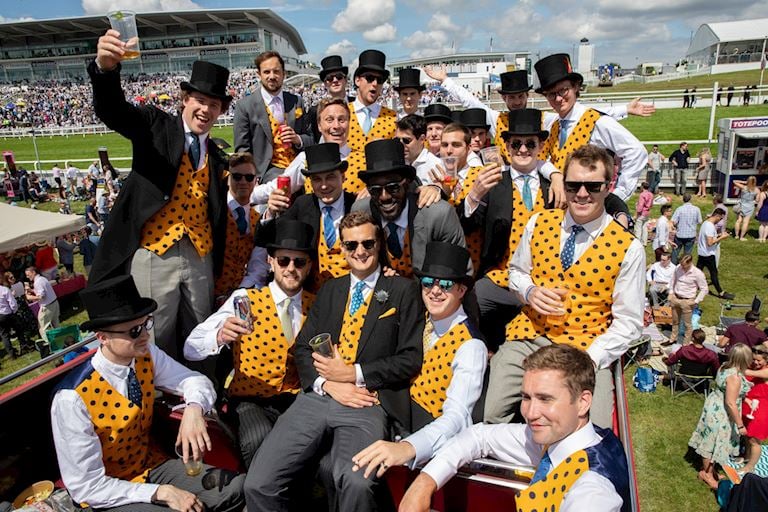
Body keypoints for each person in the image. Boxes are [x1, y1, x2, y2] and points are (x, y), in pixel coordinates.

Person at [244, 211, 424, 512]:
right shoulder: (330, 290)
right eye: (351, 245)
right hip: (317, 398)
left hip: (368, 401)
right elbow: (302, 349)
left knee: (355, 482)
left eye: (367, 243)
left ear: (378, 244)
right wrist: (327, 383)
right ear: (341, 248)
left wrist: (353, 373)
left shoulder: (403, 290)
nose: (360, 252)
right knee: (258, 484)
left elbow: (410, 359)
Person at [88, 31, 232, 360]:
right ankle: (156, 405)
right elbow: (113, 110)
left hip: (200, 256)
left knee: (201, 335)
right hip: (155, 253)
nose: (205, 110)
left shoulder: (217, 154)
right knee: (154, 337)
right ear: (185, 99)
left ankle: (198, 399)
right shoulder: (156, 125)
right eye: (200, 100)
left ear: (220, 110)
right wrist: (106, 70)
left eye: (213, 104)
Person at [51, 275, 245, 511]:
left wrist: (194, 409)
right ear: (103, 338)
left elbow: (194, 380)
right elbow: (87, 487)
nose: (145, 335)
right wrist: (159, 492)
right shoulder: (72, 399)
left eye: (146, 324)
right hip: (109, 490)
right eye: (134, 331)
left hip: (150, 465)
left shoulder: (146, 354)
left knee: (236, 487)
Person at [489, 144, 645, 428]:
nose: (582, 194)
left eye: (592, 186)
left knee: (595, 433)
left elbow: (630, 322)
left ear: (608, 186)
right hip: (530, 335)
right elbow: (516, 272)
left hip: (586, 346)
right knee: (492, 413)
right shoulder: (539, 222)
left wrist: (590, 357)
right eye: (573, 186)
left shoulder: (629, 248)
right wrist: (529, 291)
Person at [399, 344, 630, 512]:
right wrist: (425, 482)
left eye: (545, 399)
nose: (530, 413)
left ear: (583, 402)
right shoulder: (562, 436)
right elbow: (479, 436)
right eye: (526, 397)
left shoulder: (592, 492)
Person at [185, 219, 315, 466]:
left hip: (295, 397)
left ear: (308, 266)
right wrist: (220, 336)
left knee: (310, 440)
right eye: (283, 260)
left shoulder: (316, 304)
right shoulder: (244, 299)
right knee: (259, 439)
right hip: (249, 399)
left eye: (299, 262)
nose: (290, 268)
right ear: (270, 262)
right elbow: (191, 347)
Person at [350, 243, 487, 477]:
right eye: (427, 283)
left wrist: (409, 447)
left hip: (424, 443)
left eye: (445, 284)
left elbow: (457, 416)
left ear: (462, 290)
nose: (435, 291)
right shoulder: (419, 316)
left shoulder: (471, 347)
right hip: (385, 415)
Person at [424, 65, 653, 170]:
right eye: (511, 98)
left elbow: (581, 115)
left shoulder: (546, 120)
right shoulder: (497, 119)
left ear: (527, 96)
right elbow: (472, 102)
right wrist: (446, 81)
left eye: (520, 96)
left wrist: (623, 109)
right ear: (504, 99)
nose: (516, 102)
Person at [460, 108, 556, 350]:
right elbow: (467, 225)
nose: (523, 150)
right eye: (516, 144)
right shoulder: (493, 183)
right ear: (507, 146)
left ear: (541, 146)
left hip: (545, 279)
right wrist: (474, 195)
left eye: (529, 144)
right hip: (501, 276)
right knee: (474, 300)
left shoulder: (554, 184)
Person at [533, 54, 647, 202]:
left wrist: (617, 197)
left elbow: (636, 152)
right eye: (551, 94)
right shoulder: (555, 124)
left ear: (575, 87)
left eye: (563, 90)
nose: (558, 98)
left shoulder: (597, 122)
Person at [353, 139, 470, 278]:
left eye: (393, 187)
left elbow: (459, 274)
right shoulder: (362, 213)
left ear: (407, 183)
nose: (384, 197)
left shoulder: (438, 215)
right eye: (375, 190)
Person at [266, 142, 356, 291]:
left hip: (353, 292)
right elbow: (268, 237)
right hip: (313, 295)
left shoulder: (356, 206)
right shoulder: (303, 205)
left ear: (343, 176)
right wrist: (270, 212)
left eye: (330, 177)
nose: (324, 185)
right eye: (317, 179)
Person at [233, 51, 312, 183]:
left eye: (276, 71)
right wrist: (251, 178)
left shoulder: (297, 101)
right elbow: (242, 150)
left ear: (283, 74)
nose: (272, 76)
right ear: (259, 74)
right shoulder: (245, 106)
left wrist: (297, 139)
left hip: (301, 166)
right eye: (266, 72)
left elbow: (311, 139)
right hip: (267, 172)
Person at [689, 343, 753, 490]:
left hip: (714, 405)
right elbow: (730, 403)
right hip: (722, 413)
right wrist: (740, 425)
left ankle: (711, 471)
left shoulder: (724, 366)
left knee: (711, 438)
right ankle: (707, 474)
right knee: (712, 443)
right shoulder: (734, 377)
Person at [344, 49, 398, 194]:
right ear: (357, 80)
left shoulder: (392, 118)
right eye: (369, 78)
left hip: (380, 195)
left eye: (379, 80)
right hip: (343, 193)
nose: (374, 84)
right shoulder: (342, 113)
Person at [213, 152, 262, 302]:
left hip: (240, 295)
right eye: (236, 177)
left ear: (256, 181)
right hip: (209, 292)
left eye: (249, 177)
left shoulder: (257, 219)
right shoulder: (215, 212)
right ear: (228, 178)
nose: (243, 181)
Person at [305, 55, 350, 142]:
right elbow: (314, 139)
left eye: (339, 76)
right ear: (325, 83)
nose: (335, 80)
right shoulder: (315, 111)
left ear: (345, 80)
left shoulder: (358, 105)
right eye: (330, 78)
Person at [667, 255, 708, 345]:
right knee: (675, 321)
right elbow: (673, 280)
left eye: (684, 265)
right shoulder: (678, 268)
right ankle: (672, 339)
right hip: (676, 298)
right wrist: (671, 292)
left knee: (687, 324)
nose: (682, 267)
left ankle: (685, 343)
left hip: (688, 301)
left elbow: (704, 289)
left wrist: (696, 301)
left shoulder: (697, 273)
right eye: (681, 264)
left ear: (690, 263)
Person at [697, 208, 734, 300]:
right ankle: (721, 293)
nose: (720, 220)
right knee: (714, 274)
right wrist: (722, 238)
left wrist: (719, 235)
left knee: (697, 272)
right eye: (721, 218)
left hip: (702, 253)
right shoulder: (710, 226)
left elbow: (709, 238)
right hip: (708, 254)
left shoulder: (706, 223)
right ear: (717, 215)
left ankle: (691, 286)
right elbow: (710, 243)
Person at [742, 348, 768, 474]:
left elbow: (747, 372)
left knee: (754, 439)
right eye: (754, 359)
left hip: (761, 409)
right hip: (750, 406)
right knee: (747, 435)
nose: (755, 362)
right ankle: (747, 456)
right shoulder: (755, 367)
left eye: (759, 360)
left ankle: (750, 466)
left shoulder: (766, 371)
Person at [396, 114, 442, 185]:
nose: (401, 145)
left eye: (406, 140)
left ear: (422, 139)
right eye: (397, 140)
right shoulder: (397, 164)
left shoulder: (436, 166)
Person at [25, 266, 60, 343]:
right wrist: (32, 290)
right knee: (56, 325)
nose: (27, 277)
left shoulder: (37, 282)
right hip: (54, 303)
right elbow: (42, 291)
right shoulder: (42, 278)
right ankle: (61, 339)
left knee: (43, 328)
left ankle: (50, 344)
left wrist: (29, 297)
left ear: (33, 272)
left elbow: (41, 296)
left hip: (47, 307)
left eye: (28, 274)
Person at [0, 274, 29, 359]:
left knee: (4, 335)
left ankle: (12, 354)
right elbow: (12, 303)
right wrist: (13, 311)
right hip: (8, 313)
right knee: (19, 329)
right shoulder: (4, 289)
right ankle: (23, 346)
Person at [671, 193, 702, 264]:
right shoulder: (696, 209)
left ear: (683, 200)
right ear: (691, 199)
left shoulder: (679, 209)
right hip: (691, 235)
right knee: (687, 253)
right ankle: (685, 266)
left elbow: (674, 221)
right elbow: (700, 221)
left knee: (675, 251)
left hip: (680, 234)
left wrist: (677, 226)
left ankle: (672, 266)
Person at [734, 176, 759, 241]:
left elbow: (734, 181)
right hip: (750, 206)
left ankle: (736, 235)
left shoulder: (744, 187)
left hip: (742, 204)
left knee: (738, 220)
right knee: (746, 222)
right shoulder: (757, 190)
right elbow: (757, 200)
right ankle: (741, 237)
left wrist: (744, 182)